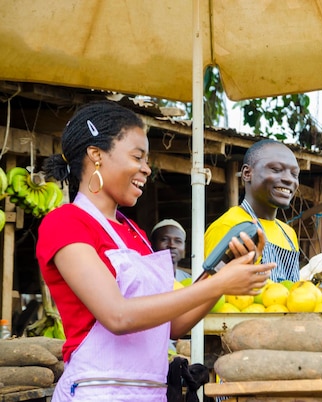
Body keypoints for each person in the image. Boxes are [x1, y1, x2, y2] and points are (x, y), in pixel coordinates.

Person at [36, 100, 275, 401]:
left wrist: (223, 274)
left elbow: (173, 324)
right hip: (98, 392)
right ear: (96, 155)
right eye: (138, 157)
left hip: (151, 393)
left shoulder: (134, 233)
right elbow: (118, 316)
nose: (147, 169)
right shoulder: (64, 223)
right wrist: (218, 283)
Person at [204, 139, 301, 284]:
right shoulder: (229, 227)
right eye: (276, 169)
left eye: (294, 174)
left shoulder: (288, 234)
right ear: (247, 173)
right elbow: (211, 293)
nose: (289, 179)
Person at [150, 219, 192, 283]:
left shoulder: (190, 280)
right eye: (164, 240)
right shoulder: (145, 278)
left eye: (178, 241)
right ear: (152, 245)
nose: (172, 245)